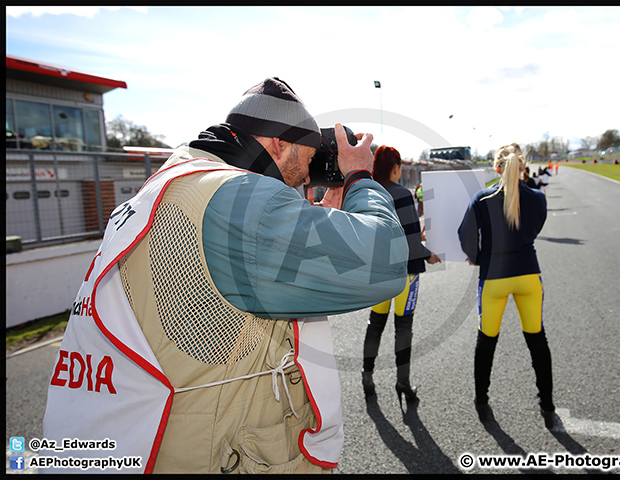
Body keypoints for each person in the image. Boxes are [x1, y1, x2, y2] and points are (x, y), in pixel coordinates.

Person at [42, 77, 409, 474]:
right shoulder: (241, 198)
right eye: (306, 157)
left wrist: (322, 221)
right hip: (214, 451)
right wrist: (359, 178)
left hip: (140, 433)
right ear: (278, 144)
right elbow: (382, 264)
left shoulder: (174, 183)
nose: (308, 175)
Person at [457, 143, 555, 429]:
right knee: (537, 340)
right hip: (528, 274)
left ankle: (481, 402)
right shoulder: (538, 197)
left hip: (494, 277)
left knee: (487, 341)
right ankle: (547, 406)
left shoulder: (482, 198)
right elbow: (535, 227)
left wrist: (477, 258)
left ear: (497, 169)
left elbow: (464, 235)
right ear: (523, 167)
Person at [361, 145, 441, 409]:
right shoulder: (402, 194)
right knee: (403, 328)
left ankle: (367, 377)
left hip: (377, 272)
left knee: (375, 325)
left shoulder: (367, 193)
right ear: (395, 168)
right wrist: (429, 253)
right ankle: (403, 383)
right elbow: (412, 243)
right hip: (405, 273)